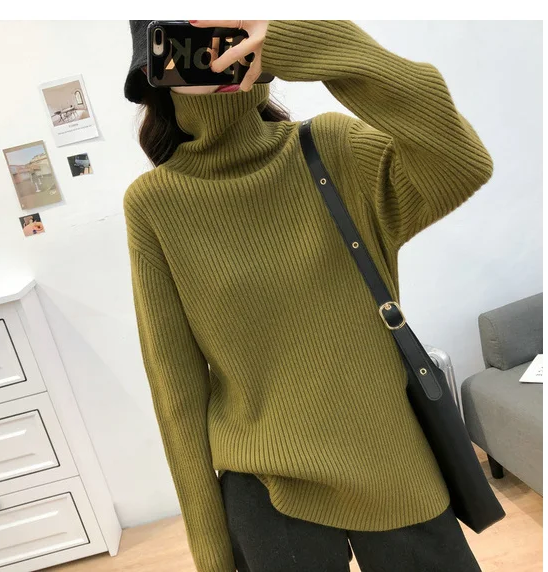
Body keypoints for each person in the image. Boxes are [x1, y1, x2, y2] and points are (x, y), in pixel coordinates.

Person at [123, 19, 493, 572]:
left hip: (392, 461)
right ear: (157, 68)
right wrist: (212, 556)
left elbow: (461, 162)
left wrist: (308, 42)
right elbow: (176, 391)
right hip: (266, 484)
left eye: (225, 31)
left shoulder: (332, 148)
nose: (213, 53)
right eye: (191, 40)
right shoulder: (154, 204)